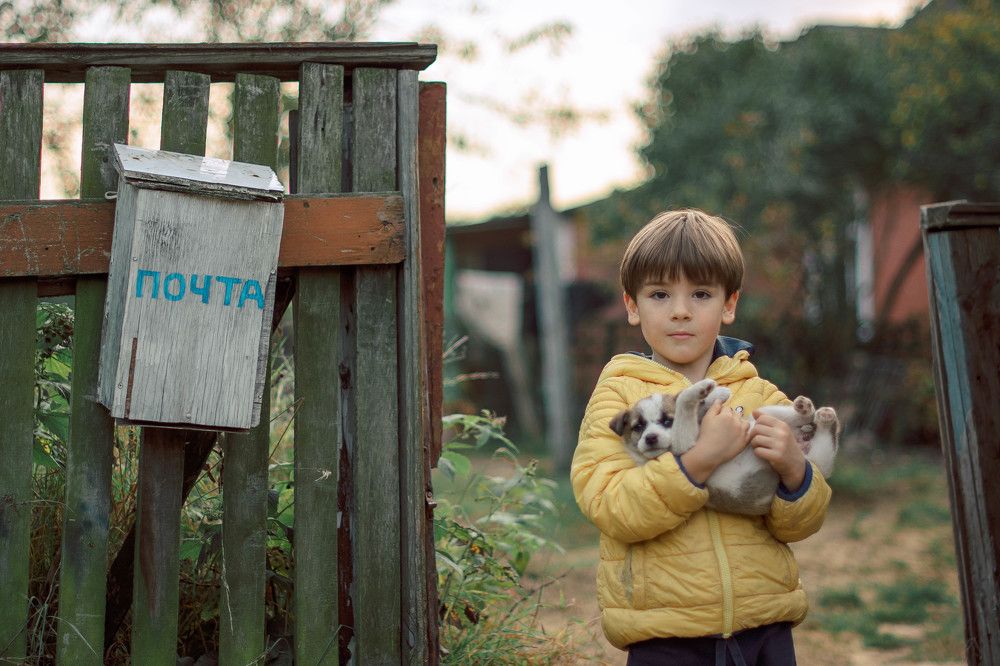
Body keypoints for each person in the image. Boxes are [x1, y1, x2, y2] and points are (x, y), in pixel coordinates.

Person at [571, 209, 831, 665]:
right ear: (632, 305)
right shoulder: (620, 395)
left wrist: (796, 472)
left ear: (729, 304)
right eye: (659, 294)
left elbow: (799, 525)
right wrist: (698, 461)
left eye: (701, 293)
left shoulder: (759, 395)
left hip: (764, 628)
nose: (680, 310)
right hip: (665, 636)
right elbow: (610, 505)